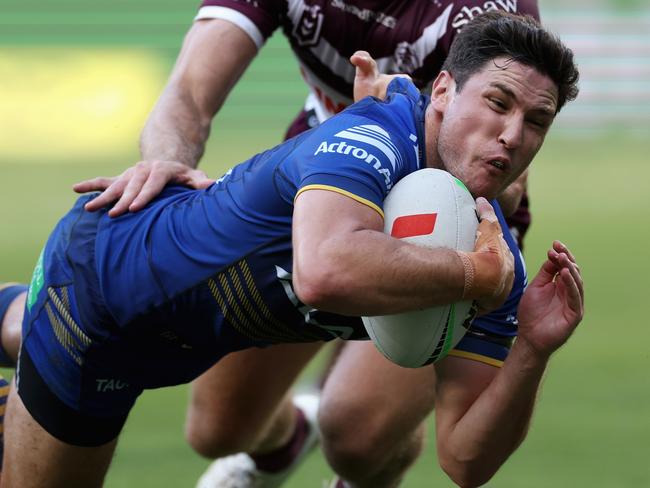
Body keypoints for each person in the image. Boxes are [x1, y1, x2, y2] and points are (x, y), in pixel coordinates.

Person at [0, 12, 582, 488]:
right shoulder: (371, 137)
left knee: (345, 435)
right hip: (97, 296)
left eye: (537, 120)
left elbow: (465, 461)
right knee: (97, 359)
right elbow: (324, 272)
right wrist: (473, 276)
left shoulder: (496, 257)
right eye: (498, 103)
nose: (513, 134)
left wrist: (531, 349)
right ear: (444, 91)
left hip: (187, 334)